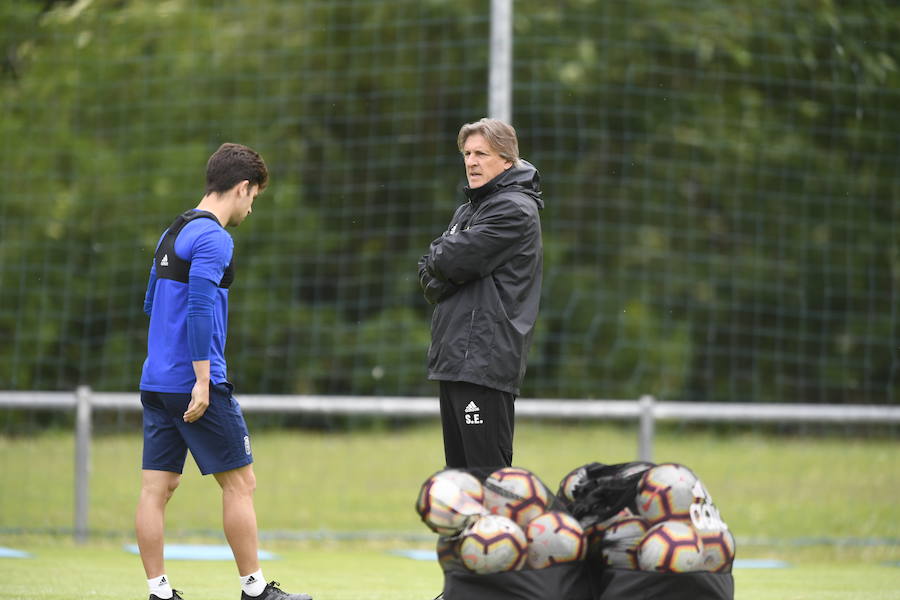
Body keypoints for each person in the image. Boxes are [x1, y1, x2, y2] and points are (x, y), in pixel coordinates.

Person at [136, 143, 312, 600]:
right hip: (195, 382)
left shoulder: (172, 231)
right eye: (254, 196)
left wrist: (166, 365)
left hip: (155, 380)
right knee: (240, 484)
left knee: (157, 487)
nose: (252, 206)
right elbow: (198, 307)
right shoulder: (215, 237)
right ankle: (256, 592)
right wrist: (200, 378)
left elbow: (150, 305)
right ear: (242, 187)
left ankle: (158, 592)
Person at [418, 118, 544, 470]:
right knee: (459, 483)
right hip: (456, 360)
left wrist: (443, 259)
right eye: (467, 153)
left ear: (507, 160)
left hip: (484, 361)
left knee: (489, 482)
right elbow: (430, 273)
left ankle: (500, 529)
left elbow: (447, 259)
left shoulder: (513, 209)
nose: (471, 161)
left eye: (481, 154)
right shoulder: (470, 209)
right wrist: (444, 262)